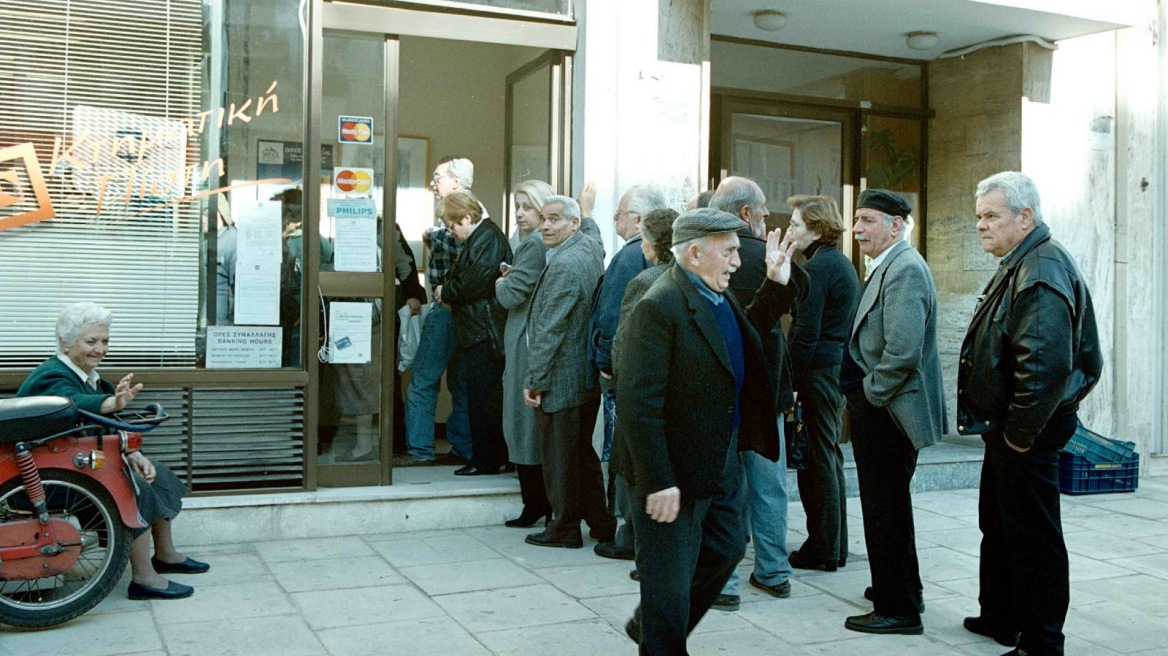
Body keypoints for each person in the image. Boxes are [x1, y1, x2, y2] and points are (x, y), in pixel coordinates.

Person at [619, 209, 797, 654]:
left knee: (726, 547)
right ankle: (662, 637)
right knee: (668, 582)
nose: (738, 261)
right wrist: (658, 481)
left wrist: (776, 284)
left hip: (719, 458)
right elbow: (638, 405)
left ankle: (655, 627)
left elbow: (745, 334)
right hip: (671, 469)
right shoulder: (658, 305)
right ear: (695, 253)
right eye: (730, 251)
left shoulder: (716, 294)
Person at [959, 172, 1102, 656]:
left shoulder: (1040, 268)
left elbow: (1043, 367)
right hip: (1007, 429)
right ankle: (1002, 614)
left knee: (1032, 535)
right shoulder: (1021, 259)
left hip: (1026, 433)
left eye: (991, 216)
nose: (981, 225)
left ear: (1026, 217)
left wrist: (1019, 436)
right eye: (979, 216)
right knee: (998, 522)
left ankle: (1040, 641)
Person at [16, 302, 209, 601]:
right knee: (132, 486)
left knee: (158, 475)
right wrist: (111, 404)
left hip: (72, 466)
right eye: (91, 341)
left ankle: (166, 555)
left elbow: (109, 425)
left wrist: (133, 454)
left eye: (104, 341)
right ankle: (144, 578)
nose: (100, 349)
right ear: (65, 343)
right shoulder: (52, 375)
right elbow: (73, 405)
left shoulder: (88, 375)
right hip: (43, 478)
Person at [841, 189, 945, 636]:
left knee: (885, 510)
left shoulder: (903, 269)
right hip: (881, 411)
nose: (858, 228)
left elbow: (902, 353)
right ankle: (902, 588)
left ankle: (897, 609)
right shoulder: (891, 265)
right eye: (856, 220)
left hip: (887, 413)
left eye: (867, 220)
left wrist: (869, 395)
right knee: (889, 508)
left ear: (896, 225)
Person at [708, 176, 803, 610]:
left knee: (725, 487)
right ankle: (773, 570)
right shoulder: (770, 256)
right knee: (769, 484)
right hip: (767, 392)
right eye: (763, 208)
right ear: (745, 213)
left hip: (723, 392)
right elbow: (800, 301)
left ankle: (724, 583)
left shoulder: (705, 257)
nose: (768, 215)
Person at [522, 195, 615, 548]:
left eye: (555, 219)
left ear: (572, 224)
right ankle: (601, 523)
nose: (545, 225)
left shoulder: (565, 264)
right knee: (580, 455)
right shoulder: (589, 247)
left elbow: (550, 329)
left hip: (561, 377)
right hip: (583, 377)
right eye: (543, 218)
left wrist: (535, 380)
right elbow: (597, 238)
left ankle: (564, 528)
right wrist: (588, 213)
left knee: (560, 459)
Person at [589, 185, 669, 560]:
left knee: (623, 457)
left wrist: (606, 365)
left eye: (620, 213)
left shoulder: (630, 261)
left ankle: (627, 535)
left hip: (627, 381)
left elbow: (614, 322)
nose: (615, 219)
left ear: (639, 221)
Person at [784, 195, 860, 573]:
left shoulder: (821, 267)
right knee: (826, 455)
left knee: (819, 460)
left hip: (819, 373)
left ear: (815, 228)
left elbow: (805, 334)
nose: (791, 231)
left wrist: (792, 382)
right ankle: (831, 545)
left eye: (796, 225)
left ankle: (825, 547)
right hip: (830, 370)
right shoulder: (834, 263)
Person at [605, 207, 678, 568]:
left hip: (643, 392)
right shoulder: (685, 277)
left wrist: (614, 372)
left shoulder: (647, 281)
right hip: (672, 394)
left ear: (652, 243)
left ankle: (635, 544)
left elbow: (625, 342)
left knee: (632, 469)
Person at [436, 190, 512, 476]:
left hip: (485, 332)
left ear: (467, 218)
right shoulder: (482, 238)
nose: (451, 231)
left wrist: (447, 291)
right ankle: (485, 457)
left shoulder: (488, 238)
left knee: (483, 400)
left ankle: (487, 460)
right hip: (480, 330)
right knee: (479, 398)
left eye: (453, 225)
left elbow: (476, 280)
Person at [404, 157, 475, 463]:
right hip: (464, 312)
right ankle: (462, 448)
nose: (433, 183)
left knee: (423, 380)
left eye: (438, 177)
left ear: (456, 182)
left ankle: (420, 450)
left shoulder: (462, 212)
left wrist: (430, 235)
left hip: (447, 308)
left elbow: (450, 243)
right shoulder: (468, 211)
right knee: (460, 382)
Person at [495, 179, 555, 525]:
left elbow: (511, 295)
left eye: (527, 206)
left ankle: (535, 505)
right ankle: (539, 505)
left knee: (522, 427)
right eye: (517, 206)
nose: (519, 213)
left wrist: (502, 282)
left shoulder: (532, 245)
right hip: (531, 339)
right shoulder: (538, 242)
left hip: (525, 342)